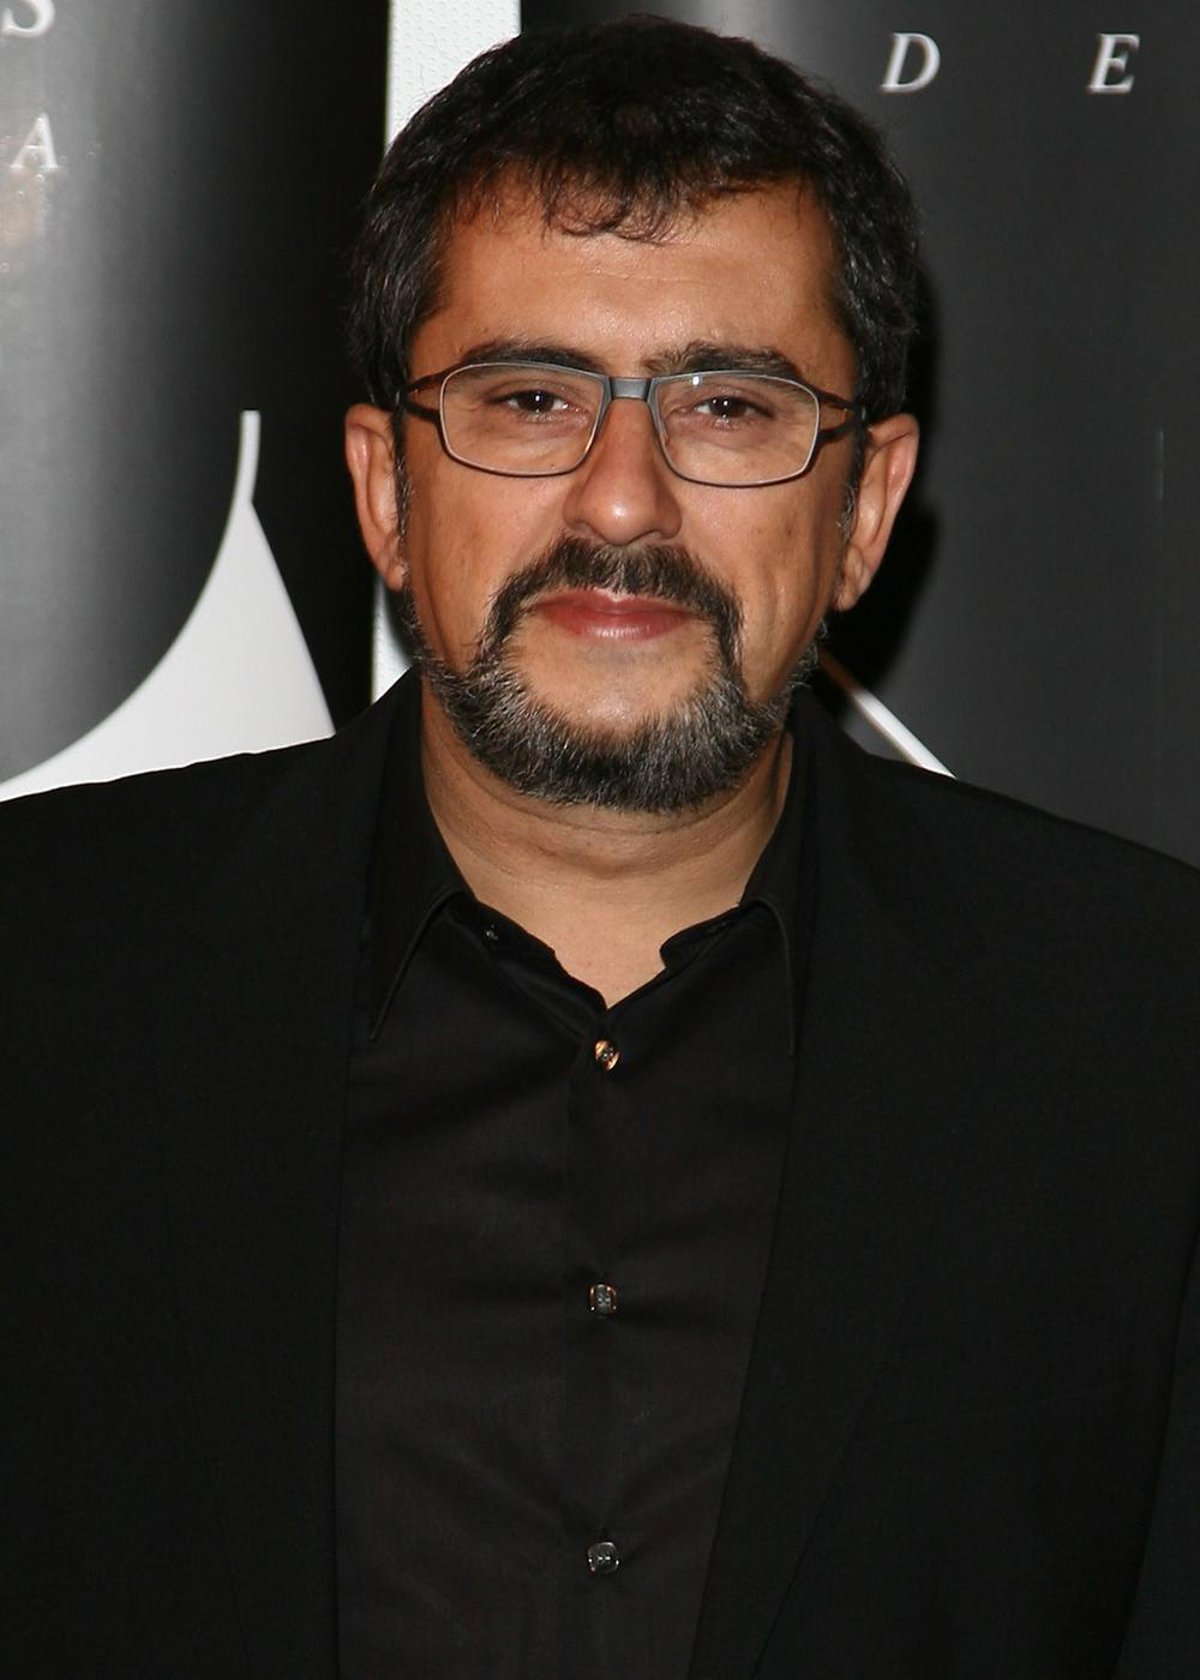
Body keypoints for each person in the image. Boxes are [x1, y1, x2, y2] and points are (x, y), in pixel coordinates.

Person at [4, 16, 1199, 1679]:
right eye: (528, 396)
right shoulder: (42, 981)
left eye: (729, 404)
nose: (623, 501)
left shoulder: (1147, 1037)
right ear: (385, 491)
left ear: (862, 511)